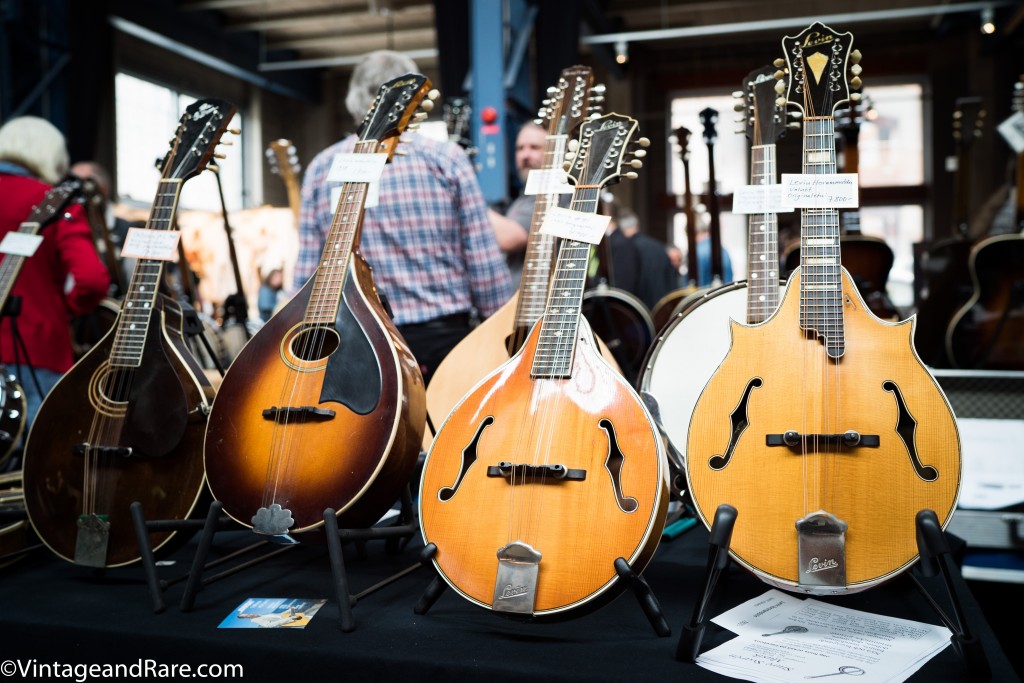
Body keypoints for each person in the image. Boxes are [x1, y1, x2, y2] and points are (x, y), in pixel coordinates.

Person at [296, 50, 513, 386]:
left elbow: (308, 271)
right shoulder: (445, 159)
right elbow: (483, 264)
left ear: (354, 98)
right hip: (443, 343)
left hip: (355, 345)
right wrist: (501, 333)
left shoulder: (322, 167)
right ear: (416, 98)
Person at [0, 117, 110, 454]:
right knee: (35, 469)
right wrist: (68, 308)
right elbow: (91, 279)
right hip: (35, 348)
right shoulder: (51, 200)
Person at [488, 121, 547, 287]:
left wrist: (470, 198)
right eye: (520, 148)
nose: (525, 155)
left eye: (534, 147)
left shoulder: (556, 195)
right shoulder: (523, 198)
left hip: (535, 306)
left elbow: (510, 238)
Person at [616, 208, 679, 310]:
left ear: (622, 229)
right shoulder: (658, 246)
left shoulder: (627, 249)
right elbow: (671, 279)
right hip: (662, 308)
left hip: (640, 309)